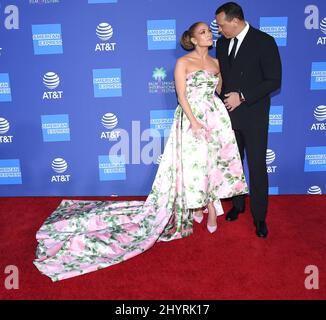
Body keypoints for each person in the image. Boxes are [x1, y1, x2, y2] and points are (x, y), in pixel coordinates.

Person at [33, 22, 247, 281]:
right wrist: (192, 120)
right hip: (192, 119)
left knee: (214, 163)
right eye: (203, 32)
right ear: (192, 38)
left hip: (215, 118)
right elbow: (181, 95)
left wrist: (218, 111)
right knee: (194, 165)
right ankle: (199, 208)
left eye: (209, 31)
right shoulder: (183, 62)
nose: (209, 34)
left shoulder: (216, 62)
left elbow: (218, 89)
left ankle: (206, 208)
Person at [215, 2, 282, 238]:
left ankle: (260, 217)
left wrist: (242, 97)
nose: (220, 30)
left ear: (235, 21)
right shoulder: (222, 43)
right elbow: (223, 75)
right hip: (228, 116)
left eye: (222, 25)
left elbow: (274, 80)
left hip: (254, 116)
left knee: (256, 167)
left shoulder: (264, 42)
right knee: (233, 165)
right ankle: (238, 205)